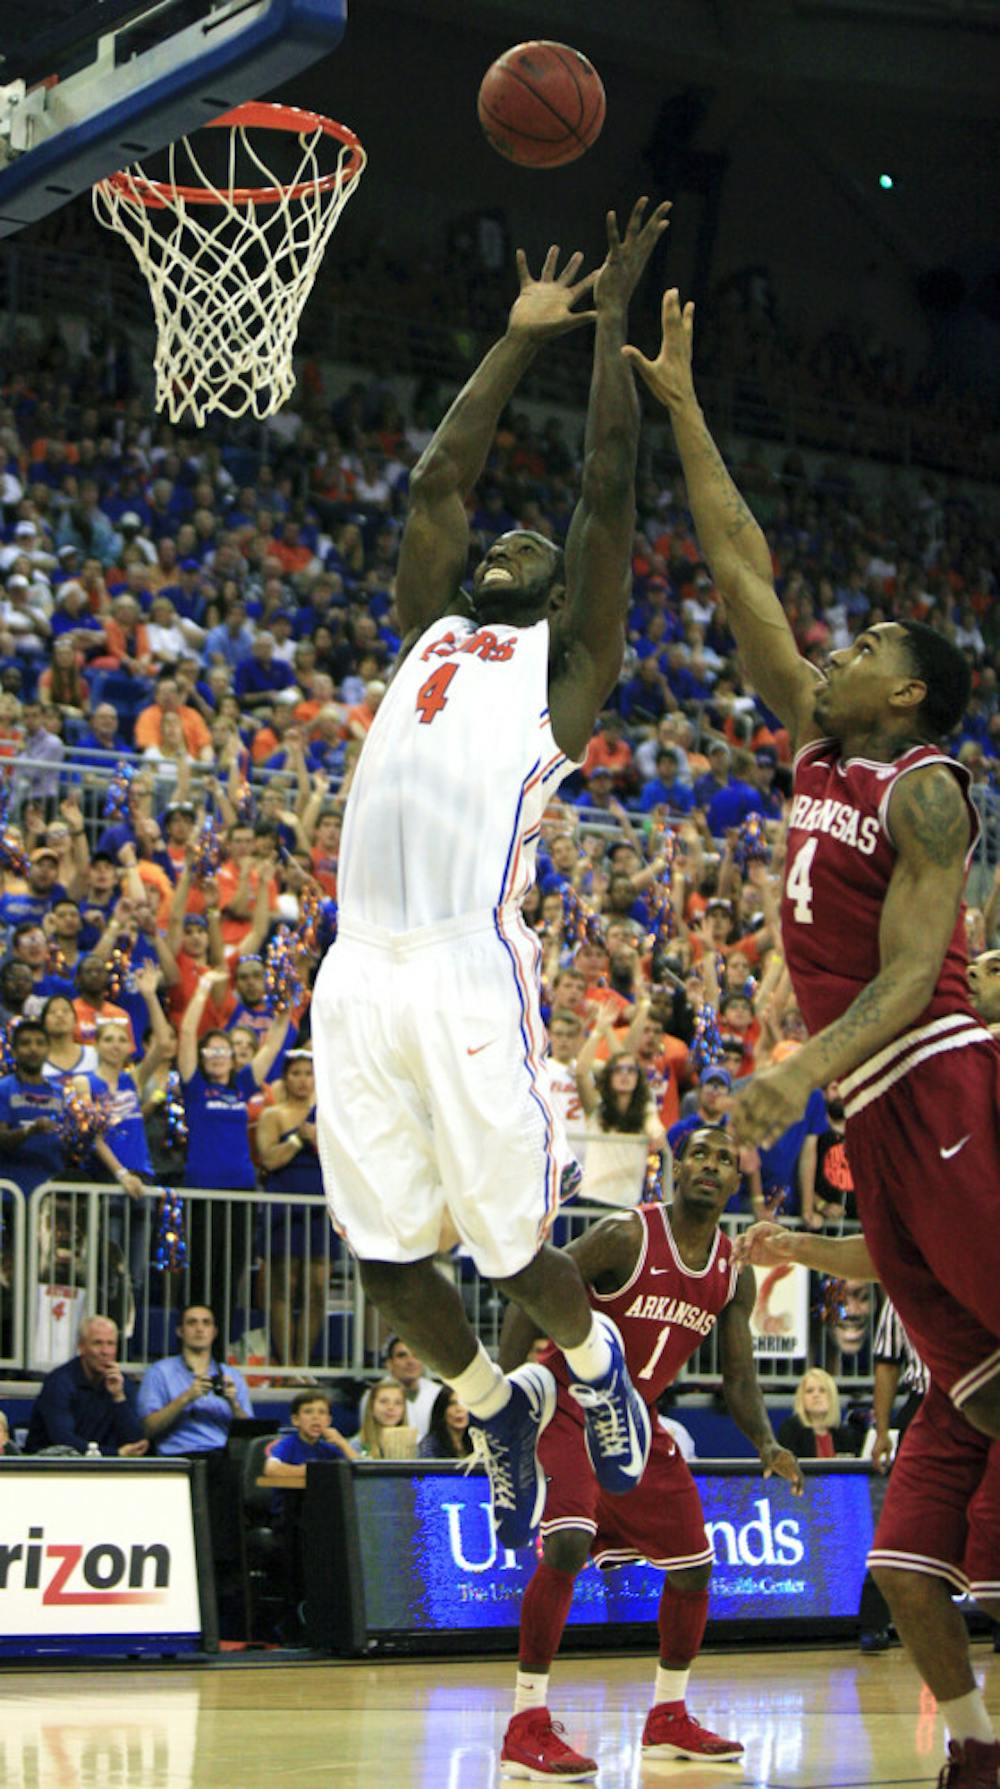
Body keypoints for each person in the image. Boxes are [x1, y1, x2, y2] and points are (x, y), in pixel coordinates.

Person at [629, 287, 1000, 1783]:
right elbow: (741, 570)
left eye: (865, 648)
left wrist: (794, 1064)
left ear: (905, 688)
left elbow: (914, 974)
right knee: (967, 1382)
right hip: (871, 1114)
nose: (829, 652)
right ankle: (975, 1754)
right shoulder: (810, 739)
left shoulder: (926, 787)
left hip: (937, 1081)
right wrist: (686, 412)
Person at [311, 202, 673, 1546]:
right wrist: (515, 337)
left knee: (512, 1246)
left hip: (467, 957)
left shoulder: (563, 671)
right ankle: (490, 1402)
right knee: (388, 1254)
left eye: (535, 545)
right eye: (495, 542)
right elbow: (436, 487)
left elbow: (607, 490)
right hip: (357, 967)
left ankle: (590, 1368)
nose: (507, 537)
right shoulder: (431, 630)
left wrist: (611, 329)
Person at [497, 1125, 803, 1775]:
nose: (712, 1166)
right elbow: (537, 1282)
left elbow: (740, 1375)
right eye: (700, 1154)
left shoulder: (730, 1270)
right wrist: (500, 1390)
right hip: (568, 1398)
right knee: (567, 1543)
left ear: (732, 1181)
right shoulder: (626, 1233)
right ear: (674, 1167)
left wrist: (767, 1440)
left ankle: (668, 1716)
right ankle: (526, 1720)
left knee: (694, 1564)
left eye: (725, 1159)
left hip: (636, 1419)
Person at [256, 1050, 328, 1367]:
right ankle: (285, 1364)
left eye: (308, 1073)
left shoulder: (328, 1114)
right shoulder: (273, 1115)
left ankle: (303, 1365)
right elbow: (269, 1159)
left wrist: (319, 1140)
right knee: (284, 1288)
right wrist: (299, 1140)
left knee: (316, 1291)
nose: (303, 1080)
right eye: (296, 1073)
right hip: (284, 1208)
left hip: (319, 1208)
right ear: (286, 1078)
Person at [24, 1313, 149, 1456]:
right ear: (81, 1347)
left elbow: (135, 1442)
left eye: (111, 1344)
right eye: (97, 1343)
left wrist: (118, 1397)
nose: (105, 1351)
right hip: (51, 1467)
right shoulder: (59, 1382)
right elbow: (63, 1441)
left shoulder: (122, 1384)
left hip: (105, 1469)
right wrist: (114, 1454)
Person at [358, 1335, 440, 1443]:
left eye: (416, 1355)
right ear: (389, 1363)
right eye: (402, 1355)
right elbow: (368, 1437)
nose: (411, 1361)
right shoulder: (372, 1395)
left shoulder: (438, 1393)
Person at [776, 1367, 860, 1459]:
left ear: (832, 1397)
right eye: (809, 1391)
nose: (816, 1395)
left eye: (822, 1391)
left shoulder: (844, 1435)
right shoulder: (790, 1431)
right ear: (802, 1398)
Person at [357, 1379, 415, 1459]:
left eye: (398, 1403)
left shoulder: (412, 1444)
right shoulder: (363, 1443)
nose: (391, 1407)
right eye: (383, 1401)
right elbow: (363, 1462)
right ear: (371, 1406)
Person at [418, 1386, 474, 1461]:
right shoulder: (430, 1446)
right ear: (442, 1410)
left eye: (464, 1403)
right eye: (452, 1404)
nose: (459, 1409)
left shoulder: (477, 1442)